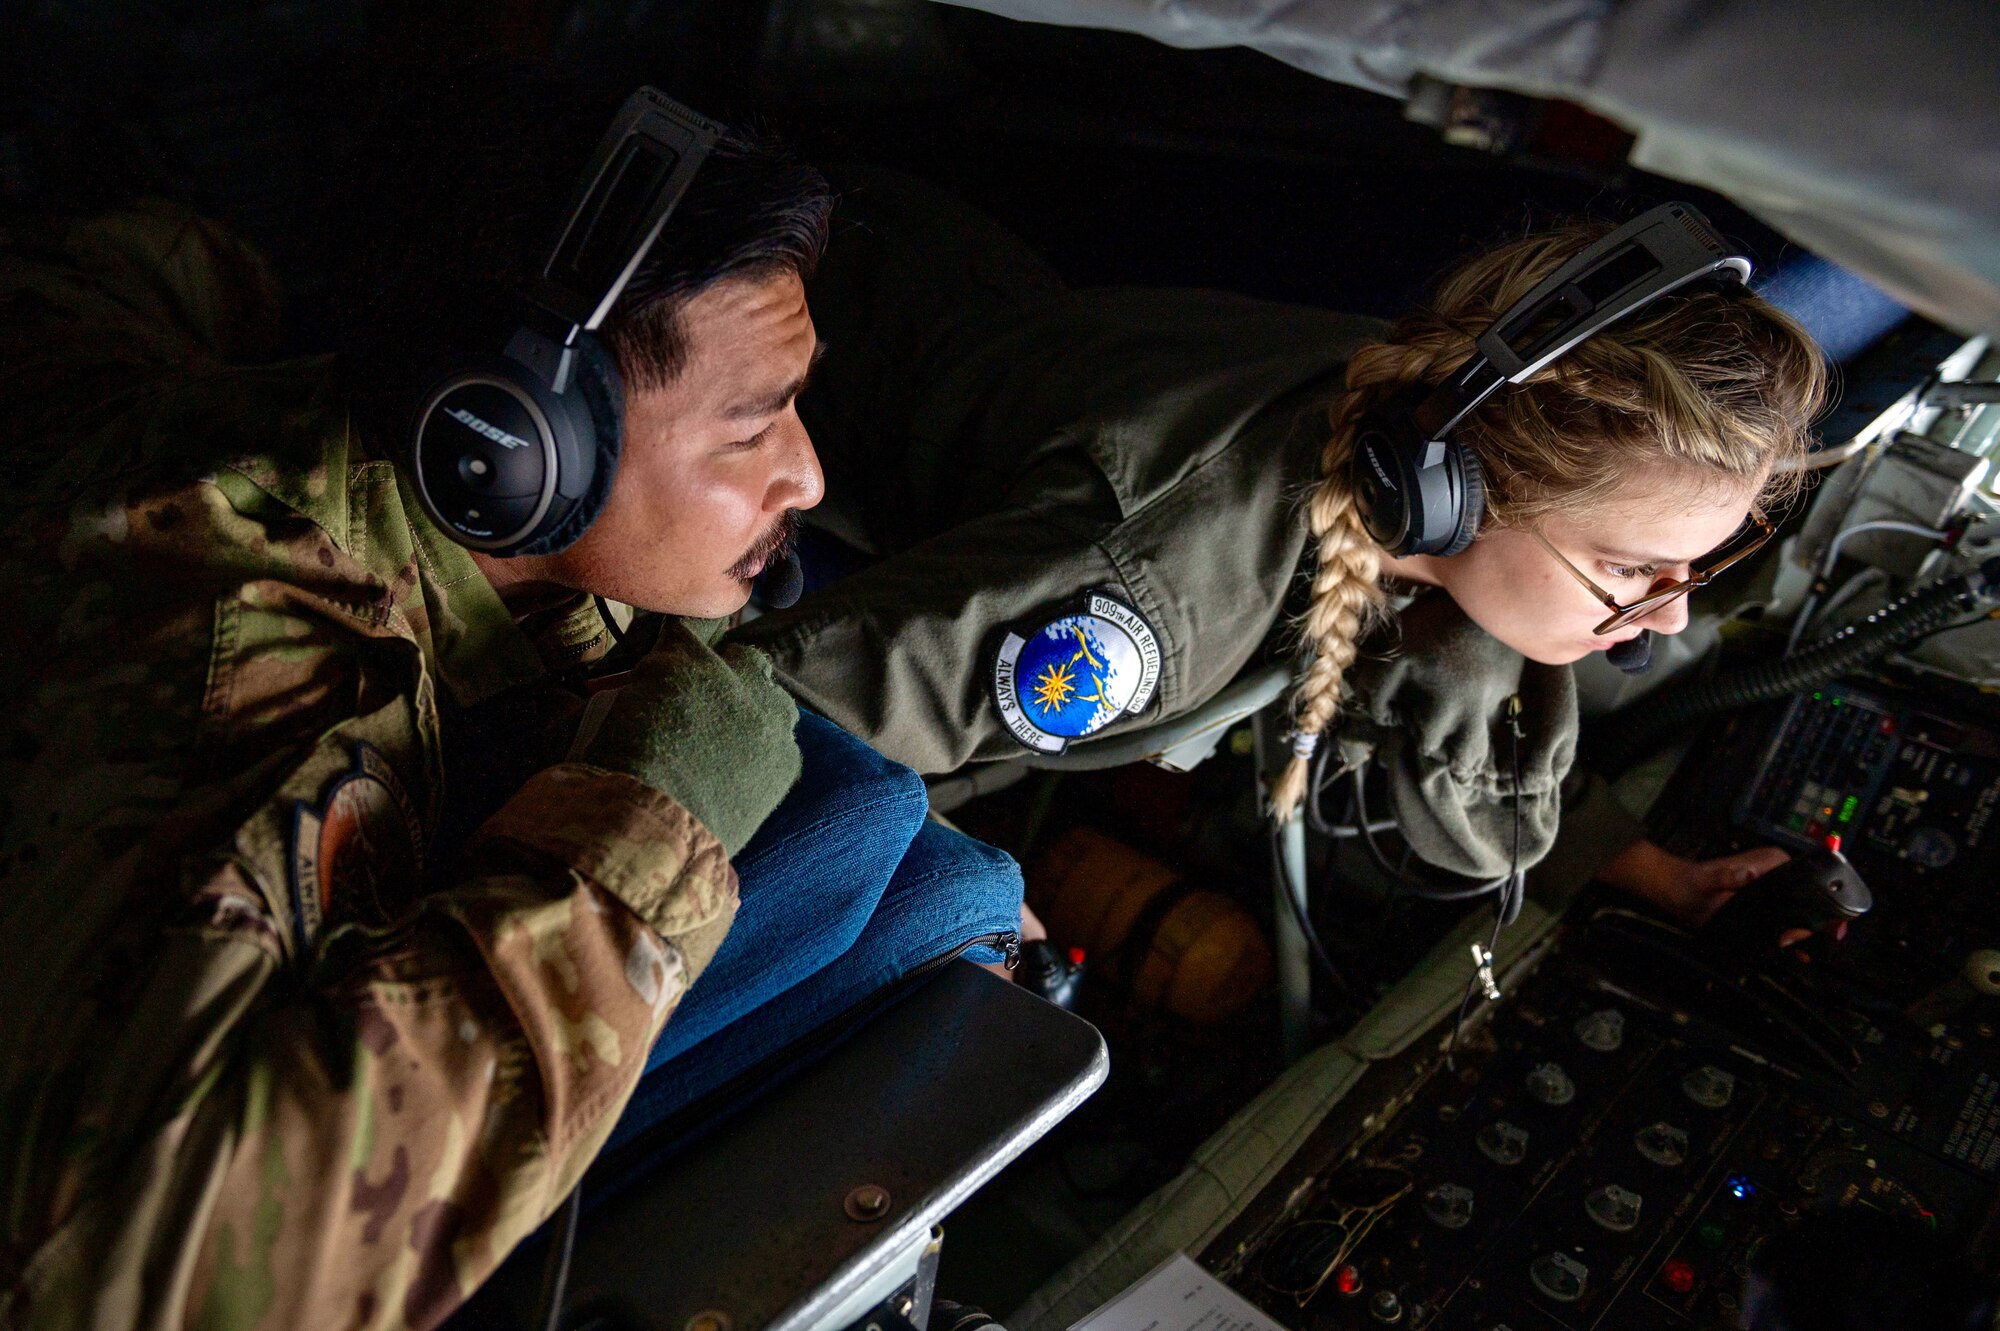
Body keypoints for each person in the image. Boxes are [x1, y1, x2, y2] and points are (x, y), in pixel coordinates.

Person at [0, 80, 1020, 1329]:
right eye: (750, 430)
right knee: (889, 851)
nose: (805, 472)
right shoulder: (267, 686)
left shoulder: (164, 363)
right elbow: (150, 1271)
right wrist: (642, 831)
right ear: (506, 450)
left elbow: (124, 270)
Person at [732, 167, 1828, 924]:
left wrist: (1636, 867)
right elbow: (759, 721)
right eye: (1635, 571)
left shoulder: (1404, 411)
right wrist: (950, 887)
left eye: (1692, 569)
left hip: (927, 260)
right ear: (1455, 493)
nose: (1670, 615)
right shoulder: (1152, 605)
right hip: (796, 317)